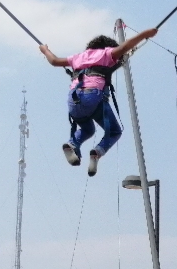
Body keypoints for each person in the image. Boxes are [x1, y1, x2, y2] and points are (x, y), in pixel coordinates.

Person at [37, 28, 159, 177]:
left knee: (88, 129)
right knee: (115, 131)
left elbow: (55, 61)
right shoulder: (107, 53)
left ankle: (72, 144)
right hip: (92, 97)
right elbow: (124, 47)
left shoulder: (77, 57)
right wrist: (145, 34)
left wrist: (45, 50)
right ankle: (97, 152)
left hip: (73, 102)